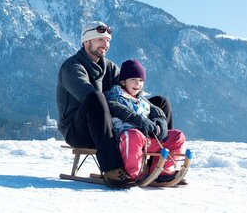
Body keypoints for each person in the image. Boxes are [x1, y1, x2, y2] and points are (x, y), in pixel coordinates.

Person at [55, 21, 175, 179]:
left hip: (111, 126)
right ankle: (112, 169)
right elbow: (99, 102)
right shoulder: (72, 68)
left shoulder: (110, 68)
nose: (105, 44)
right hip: (80, 132)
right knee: (96, 97)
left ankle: (158, 165)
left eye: (108, 40)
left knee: (161, 102)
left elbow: (133, 96)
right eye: (100, 39)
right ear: (86, 42)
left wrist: (157, 115)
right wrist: (135, 118)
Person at [104, 59, 186, 183]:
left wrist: (161, 121)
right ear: (123, 81)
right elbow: (116, 108)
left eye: (141, 80)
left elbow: (156, 110)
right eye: (133, 79)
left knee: (177, 136)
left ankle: (163, 171)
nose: (138, 84)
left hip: (146, 140)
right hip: (126, 140)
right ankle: (134, 173)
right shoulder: (115, 97)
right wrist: (139, 119)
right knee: (134, 135)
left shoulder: (141, 99)